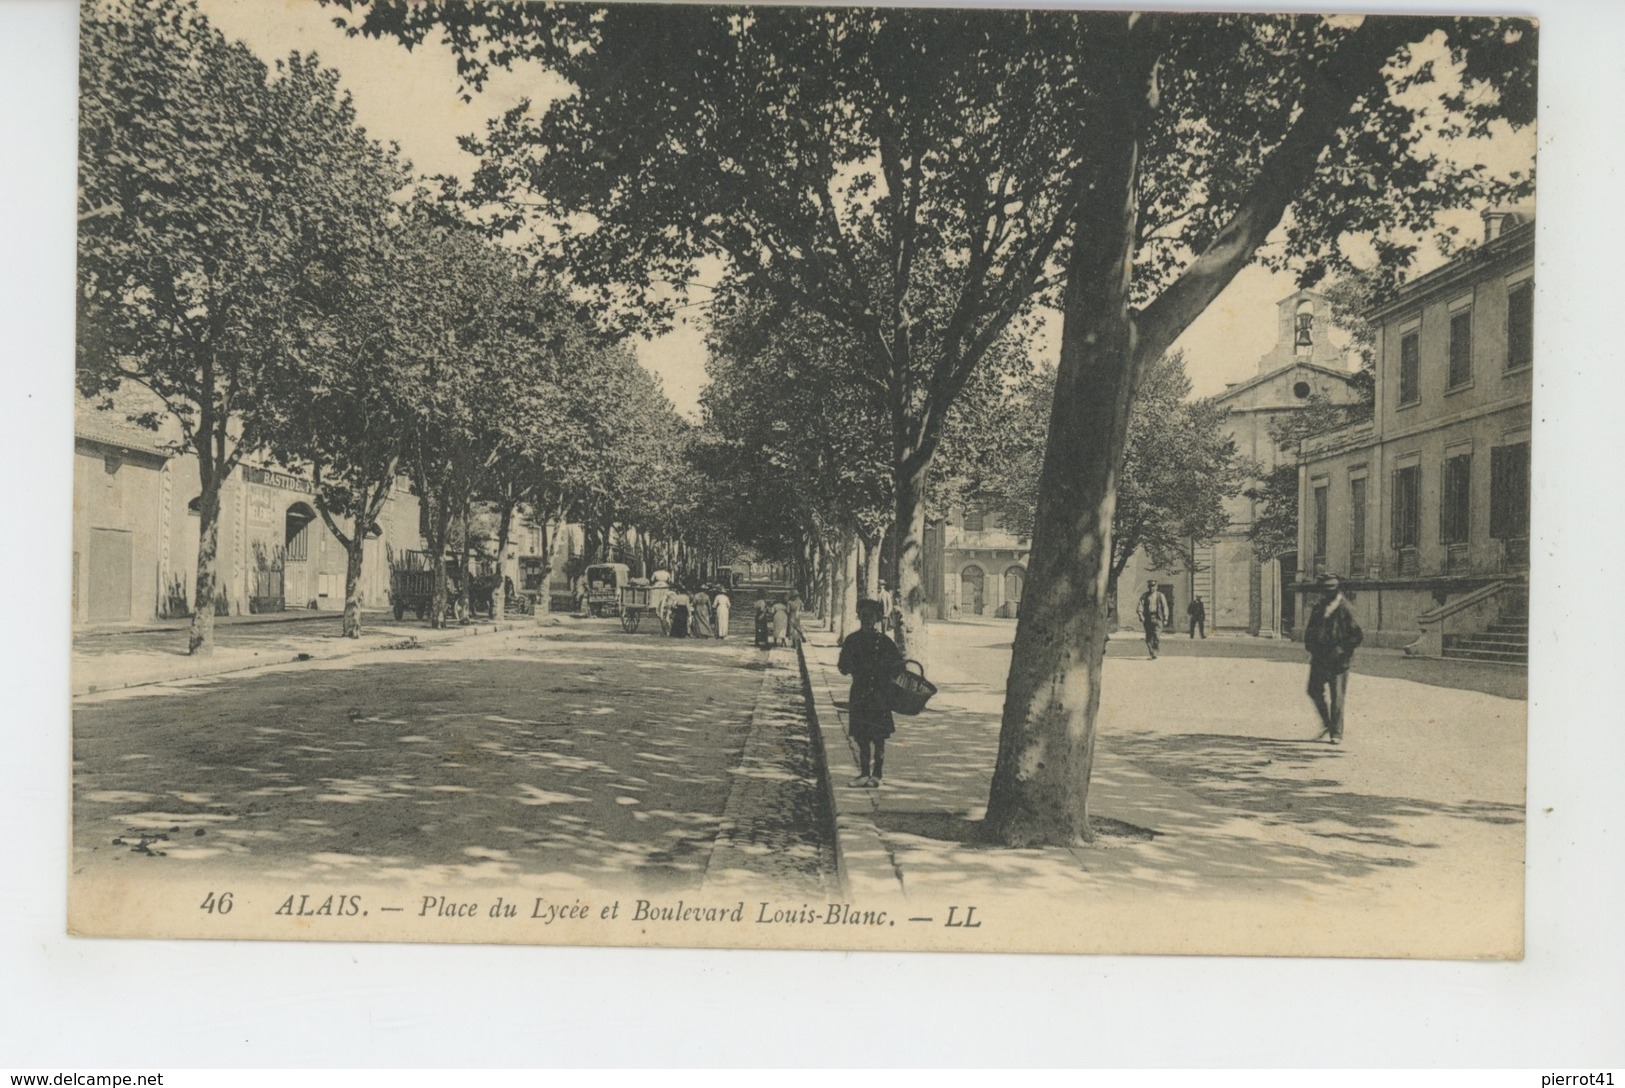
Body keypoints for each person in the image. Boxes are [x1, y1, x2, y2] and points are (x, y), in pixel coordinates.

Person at [837, 598, 904, 788]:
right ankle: (864, 773)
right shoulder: (851, 640)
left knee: (879, 737)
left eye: (870, 616)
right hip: (860, 693)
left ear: (876, 618)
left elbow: (898, 666)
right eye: (864, 616)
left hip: (879, 695)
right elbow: (842, 667)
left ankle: (877, 774)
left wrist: (886, 672)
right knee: (861, 736)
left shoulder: (885, 642)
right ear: (859, 617)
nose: (867, 620)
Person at [1303, 572, 1363, 744]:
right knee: (1313, 690)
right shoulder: (1319, 607)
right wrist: (1311, 645)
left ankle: (1336, 733)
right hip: (1319, 657)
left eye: (1330, 589)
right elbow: (1311, 630)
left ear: (1337, 590)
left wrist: (1342, 651)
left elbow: (1357, 635)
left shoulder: (1346, 609)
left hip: (1338, 660)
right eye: (1324, 590)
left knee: (1337, 696)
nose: (1326, 593)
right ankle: (1328, 723)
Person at [1135, 579, 1170, 659]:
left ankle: (1155, 651)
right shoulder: (1144, 595)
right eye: (1150, 586)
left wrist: (1166, 618)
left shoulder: (1160, 595)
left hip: (1158, 618)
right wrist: (1141, 615)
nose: (1152, 588)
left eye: (1153, 586)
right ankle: (1152, 653)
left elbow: (1165, 607)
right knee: (1148, 637)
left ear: (1156, 587)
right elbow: (1140, 605)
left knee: (1156, 636)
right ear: (1148, 587)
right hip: (1148, 618)